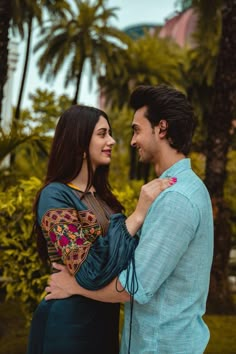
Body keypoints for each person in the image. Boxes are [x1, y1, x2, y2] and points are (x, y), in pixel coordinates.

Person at [46, 85, 214, 354]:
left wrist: (73, 285)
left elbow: (132, 287)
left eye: (137, 129)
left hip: (161, 347)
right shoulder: (172, 190)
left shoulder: (176, 199)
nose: (132, 140)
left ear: (161, 129)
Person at [26, 104, 175, 354]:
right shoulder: (55, 196)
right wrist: (137, 215)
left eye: (110, 133)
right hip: (67, 324)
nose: (113, 141)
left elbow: (128, 263)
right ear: (78, 142)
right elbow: (89, 271)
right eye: (102, 134)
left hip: (104, 323)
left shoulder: (105, 199)